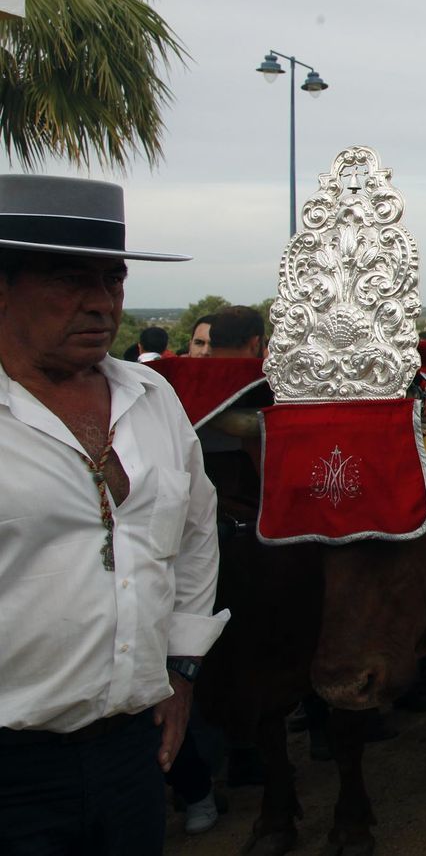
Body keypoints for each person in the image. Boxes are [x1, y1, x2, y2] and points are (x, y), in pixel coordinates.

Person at [0, 174, 230, 853]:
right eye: (70, 280)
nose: (101, 303)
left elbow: (194, 531)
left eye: (113, 280)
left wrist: (181, 670)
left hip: (132, 754)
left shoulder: (151, 395)